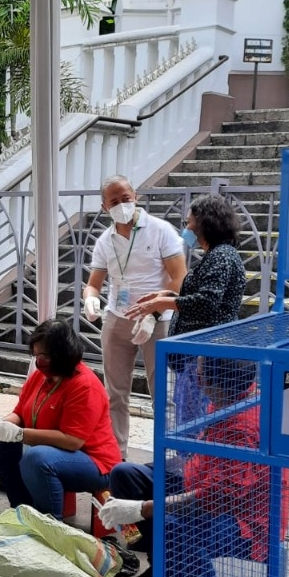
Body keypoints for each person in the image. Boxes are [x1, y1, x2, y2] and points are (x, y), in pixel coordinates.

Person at [99, 357, 289, 577]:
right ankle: (165, 571)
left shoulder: (245, 426)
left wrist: (143, 508)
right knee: (125, 475)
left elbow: (215, 500)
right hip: (201, 481)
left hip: (246, 521)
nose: (195, 377)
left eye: (200, 373)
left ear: (215, 382)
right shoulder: (228, 400)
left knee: (173, 522)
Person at [83, 175, 187, 458]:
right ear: (105, 207)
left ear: (136, 196)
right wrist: (90, 299)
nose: (121, 205)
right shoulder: (105, 241)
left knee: (163, 394)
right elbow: (94, 282)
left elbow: (180, 279)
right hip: (118, 316)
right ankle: (116, 456)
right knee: (114, 393)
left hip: (157, 320)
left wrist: (154, 312)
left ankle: (167, 459)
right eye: (114, 202)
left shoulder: (161, 230)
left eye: (125, 198)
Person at [124, 193, 246, 426]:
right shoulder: (217, 256)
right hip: (196, 355)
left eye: (189, 222)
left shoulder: (221, 257)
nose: (187, 228)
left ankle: (187, 462)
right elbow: (202, 297)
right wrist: (167, 295)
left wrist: (163, 304)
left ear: (205, 223)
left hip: (204, 355)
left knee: (192, 421)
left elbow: (207, 303)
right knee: (188, 416)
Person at [0, 319, 121, 520]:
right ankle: (22, 509)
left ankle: (49, 522)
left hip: (93, 461)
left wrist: (20, 434)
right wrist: (1, 426)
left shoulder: (84, 385)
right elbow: (20, 413)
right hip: (53, 451)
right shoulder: (40, 376)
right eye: (35, 355)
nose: (38, 361)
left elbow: (73, 441)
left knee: (37, 458)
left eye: (43, 356)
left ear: (62, 354)